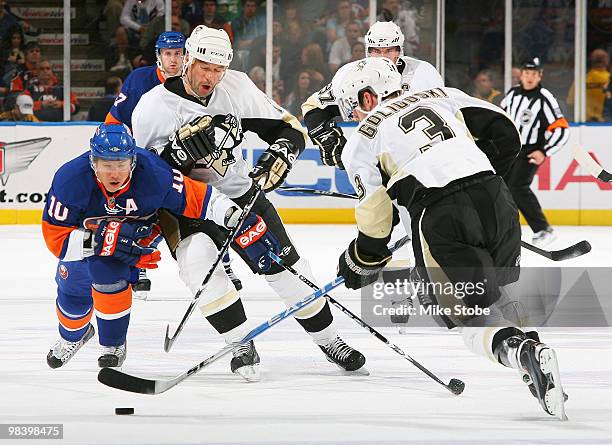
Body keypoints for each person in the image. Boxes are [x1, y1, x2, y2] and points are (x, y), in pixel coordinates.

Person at [335, 57, 567, 419]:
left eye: (352, 110)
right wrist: (474, 174)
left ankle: (518, 352)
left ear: (367, 99)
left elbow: (377, 220)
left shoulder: (362, 140)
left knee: (469, 317)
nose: (354, 120)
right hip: (497, 199)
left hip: (443, 216)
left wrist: (362, 259)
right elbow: (507, 133)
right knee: (499, 293)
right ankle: (535, 352)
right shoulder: (442, 95)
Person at [131, 25, 366, 378]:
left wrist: (282, 153)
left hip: (240, 192)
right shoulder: (151, 108)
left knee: (290, 271)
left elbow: (289, 129)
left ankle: (330, 340)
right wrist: (176, 156)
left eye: (218, 70)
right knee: (199, 268)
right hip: (186, 205)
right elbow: (144, 180)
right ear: (187, 61)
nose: (211, 77)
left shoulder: (236, 86)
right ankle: (241, 343)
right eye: (204, 68)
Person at [42, 123, 247, 369]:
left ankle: (113, 344)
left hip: (134, 240)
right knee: (72, 292)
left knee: (108, 276)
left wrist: (230, 212)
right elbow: (55, 237)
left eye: (121, 164)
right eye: (107, 165)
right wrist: (103, 241)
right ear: (93, 162)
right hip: (85, 243)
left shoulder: (153, 173)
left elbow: (197, 197)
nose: (114, 173)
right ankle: (73, 336)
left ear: (133, 162)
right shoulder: (70, 180)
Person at [302, 20, 443, 171]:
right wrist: (327, 139)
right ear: (368, 51)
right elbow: (312, 107)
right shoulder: (352, 75)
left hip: (418, 159)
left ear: (399, 51)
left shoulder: (422, 73)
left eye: (389, 50)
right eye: (376, 51)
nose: (382, 57)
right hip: (374, 159)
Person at [501, 57, 569, 247]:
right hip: (510, 149)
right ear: (521, 75)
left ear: (540, 76)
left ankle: (543, 229)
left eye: (534, 74)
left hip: (531, 150)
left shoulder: (544, 97)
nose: (530, 77)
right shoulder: (512, 94)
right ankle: (505, 229)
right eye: (527, 73)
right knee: (500, 187)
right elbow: (501, 117)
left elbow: (561, 128)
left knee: (518, 187)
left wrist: (544, 151)